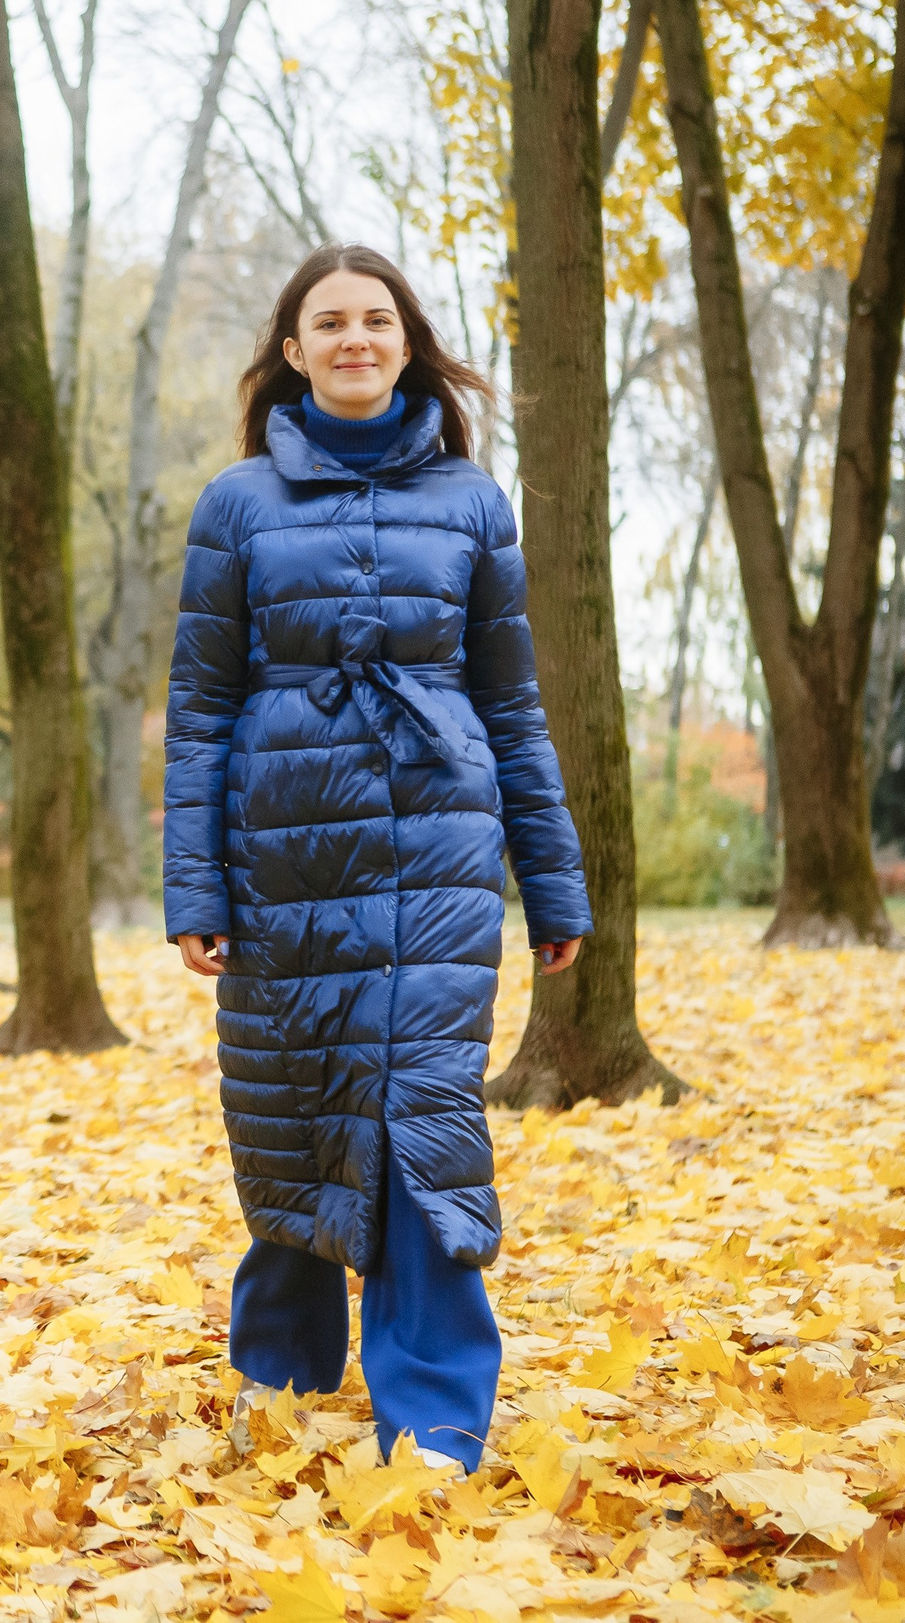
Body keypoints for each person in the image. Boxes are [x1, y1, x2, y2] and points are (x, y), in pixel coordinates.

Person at [163, 243, 591, 1472]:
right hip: (279, 860)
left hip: (439, 860)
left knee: (420, 1121)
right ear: (292, 353)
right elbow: (197, 710)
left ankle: (438, 1421)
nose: (355, 338)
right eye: (328, 323)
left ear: (407, 343)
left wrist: (552, 881)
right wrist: (193, 886)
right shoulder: (235, 502)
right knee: (288, 1113)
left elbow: (513, 708)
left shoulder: (471, 502)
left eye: (376, 320)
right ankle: (281, 1384)